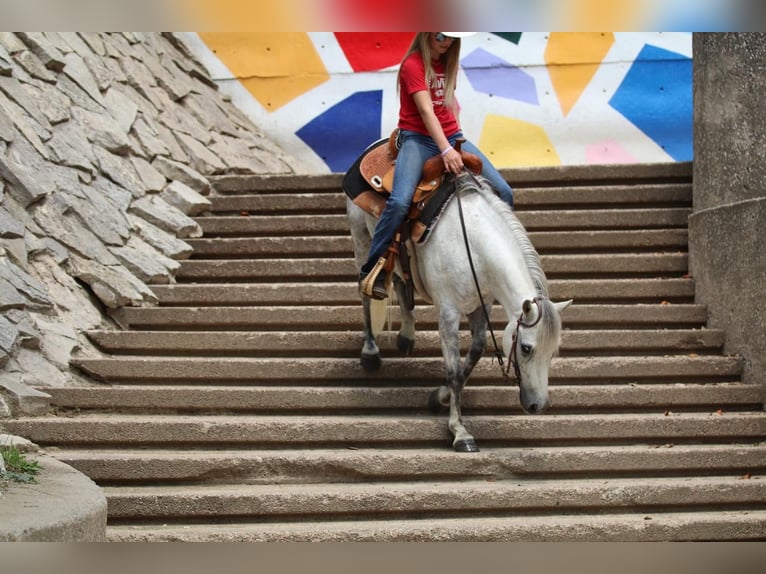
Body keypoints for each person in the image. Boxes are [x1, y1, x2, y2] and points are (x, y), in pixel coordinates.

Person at [359, 32, 515, 299]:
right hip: (418, 139)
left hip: (452, 135)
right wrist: (445, 149)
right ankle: (374, 268)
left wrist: (456, 135)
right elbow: (426, 111)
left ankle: (505, 261)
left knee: (505, 192)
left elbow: (449, 103)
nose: (446, 43)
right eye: (442, 36)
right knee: (398, 202)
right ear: (428, 33)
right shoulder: (413, 64)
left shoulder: (447, 62)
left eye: (452, 39)